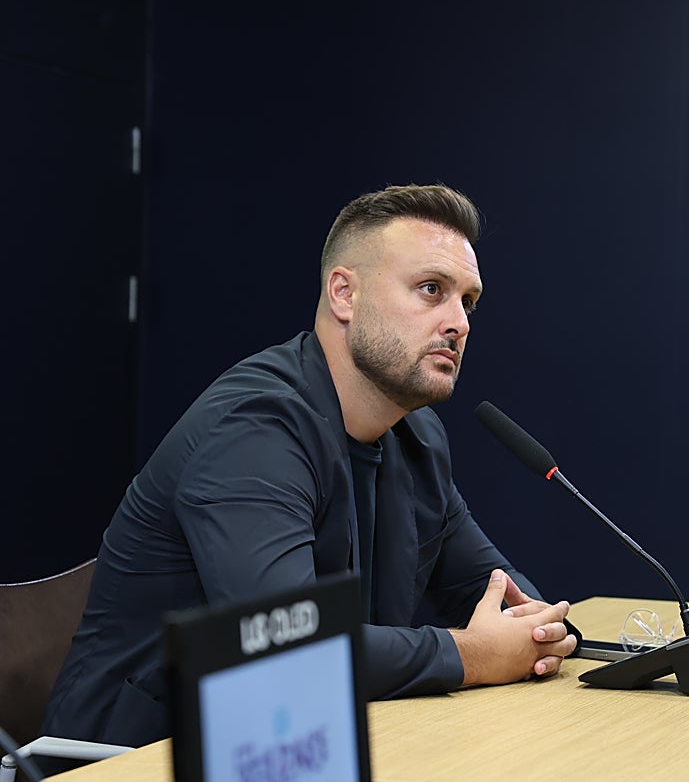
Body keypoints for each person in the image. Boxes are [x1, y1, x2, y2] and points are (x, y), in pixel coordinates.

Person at [42, 184, 579, 748]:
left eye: (467, 301)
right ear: (344, 295)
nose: (459, 323)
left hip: (303, 741)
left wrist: (537, 631)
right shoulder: (253, 428)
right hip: (133, 758)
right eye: (430, 290)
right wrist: (470, 655)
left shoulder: (416, 435)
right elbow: (288, 652)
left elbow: (489, 585)